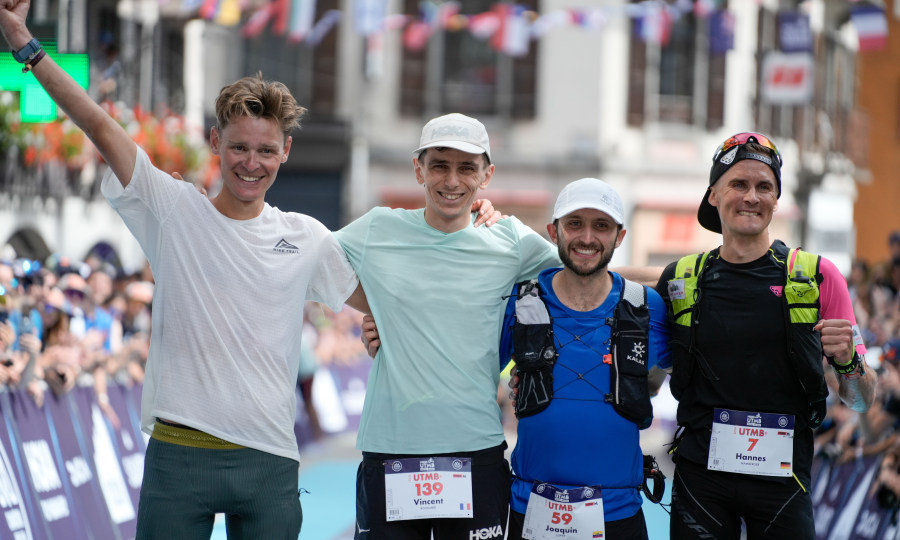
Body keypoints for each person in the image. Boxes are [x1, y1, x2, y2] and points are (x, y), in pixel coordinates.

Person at [0, 2, 370, 538]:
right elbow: (99, 124)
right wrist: (23, 44)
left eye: (266, 150)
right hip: (179, 457)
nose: (251, 162)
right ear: (215, 142)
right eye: (239, 146)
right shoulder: (173, 208)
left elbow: (375, 299)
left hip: (268, 461)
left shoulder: (306, 235)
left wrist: (383, 316)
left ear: (285, 151)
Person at [334, 112, 561, 539]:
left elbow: (590, 275)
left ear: (486, 175)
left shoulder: (509, 239)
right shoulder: (377, 228)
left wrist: (688, 273)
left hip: (476, 450)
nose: (452, 180)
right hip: (391, 448)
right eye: (439, 165)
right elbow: (305, 265)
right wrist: (385, 310)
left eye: (466, 168)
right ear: (418, 169)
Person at [657, 132, 877, 539]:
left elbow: (862, 400)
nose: (751, 197)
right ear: (713, 195)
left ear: (777, 199)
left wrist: (849, 360)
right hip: (702, 477)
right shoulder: (680, 279)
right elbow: (650, 377)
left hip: (782, 481)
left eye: (764, 187)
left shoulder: (817, 276)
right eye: (738, 184)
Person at [498, 178, 672, 540]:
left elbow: (696, 364)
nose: (587, 237)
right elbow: (466, 363)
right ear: (554, 231)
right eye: (575, 223)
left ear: (620, 237)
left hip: (618, 514)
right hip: (530, 509)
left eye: (601, 226)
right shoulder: (519, 303)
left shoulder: (648, 307)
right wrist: (381, 330)